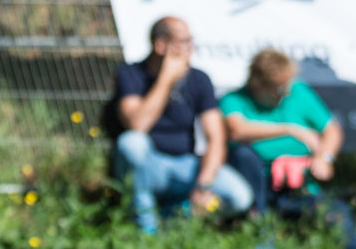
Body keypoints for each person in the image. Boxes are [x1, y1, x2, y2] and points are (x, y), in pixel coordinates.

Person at [107, 16, 252, 234]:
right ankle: (146, 232)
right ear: (160, 45)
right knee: (131, 143)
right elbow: (137, 124)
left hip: (184, 166)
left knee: (239, 196)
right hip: (147, 165)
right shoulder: (130, 74)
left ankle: (173, 219)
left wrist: (204, 184)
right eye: (184, 42)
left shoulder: (199, 79)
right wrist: (166, 78)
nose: (191, 48)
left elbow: (216, 138)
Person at [219, 48, 356, 249]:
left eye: (288, 86)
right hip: (259, 187)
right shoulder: (234, 100)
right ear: (257, 83)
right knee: (244, 155)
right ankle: (263, 239)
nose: (286, 93)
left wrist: (324, 158)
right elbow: (236, 130)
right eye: (279, 90)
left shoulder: (298, 91)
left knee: (337, 212)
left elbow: (332, 130)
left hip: (298, 186)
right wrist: (290, 129)